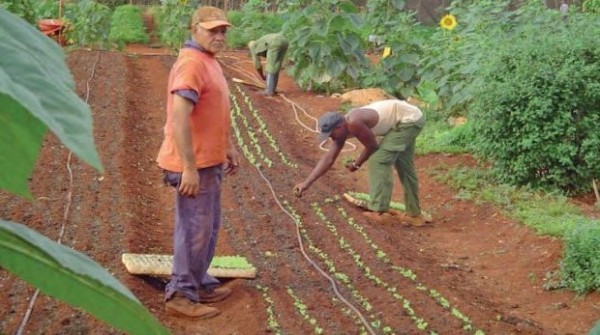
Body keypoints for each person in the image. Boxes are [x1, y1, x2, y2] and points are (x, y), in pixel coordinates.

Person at [156, 6, 239, 319]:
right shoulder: (191, 63)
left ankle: (200, 282)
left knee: (208, 226)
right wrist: (188, 167)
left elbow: (214, 110)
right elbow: (180, 118)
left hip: (210, 160)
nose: (219, 36)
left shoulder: (209, 61)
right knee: (194, 229)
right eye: (212, 30)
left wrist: (227, 146)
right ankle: (180, 292)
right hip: (193, 164)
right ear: (195, 29)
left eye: (223, 31)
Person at [294, 99, 431, 225]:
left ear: (340, 127)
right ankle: (415, 215)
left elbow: (372, 146)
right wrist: (306, 183)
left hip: (408, 121)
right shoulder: (342, 129)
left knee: (378, 160)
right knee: (404, 165)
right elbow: (328, 159)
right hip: (409, 118)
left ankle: (379, 211)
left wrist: (357, 164)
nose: (330, 137)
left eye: (331, 134)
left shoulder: (354, 122)